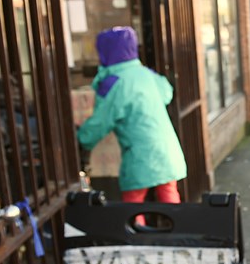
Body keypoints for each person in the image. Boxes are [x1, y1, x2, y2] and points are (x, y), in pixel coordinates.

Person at [77, 26, 187, 207]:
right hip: (167, 150)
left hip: (140, 155)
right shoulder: (145, 74)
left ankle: (137, 234)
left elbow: (101, 122)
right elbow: (167, 93)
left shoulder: (115, 83)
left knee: (133, 204)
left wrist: (81, 138)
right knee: (170, 197)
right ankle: (179, 231)